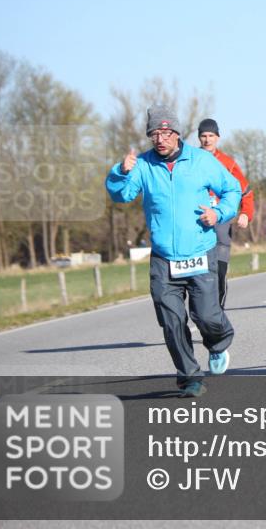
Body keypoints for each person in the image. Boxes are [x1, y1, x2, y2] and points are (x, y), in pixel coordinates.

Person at [106, 106, 240, 397]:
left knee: (206, 316)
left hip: (201, 251)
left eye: (166, 132)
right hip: (164, 259)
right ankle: (189, 377)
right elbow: (121, 194)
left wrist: (218, 213)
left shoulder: (201, 161)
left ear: (177, 134)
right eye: (154, 133)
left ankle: (218, 343)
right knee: (171, 321)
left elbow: (233, 190)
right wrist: (120, 172)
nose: (160, 138)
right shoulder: (143, 165)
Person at [197, 118, 255, 309]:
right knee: (198, 276)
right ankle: (201, 314)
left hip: (221, 223)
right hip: (196, 223)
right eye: (203, 136)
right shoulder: (190, 159)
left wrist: (246, 213)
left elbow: (246, 191)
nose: (207, 140)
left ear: (218, 138)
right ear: (199, 138)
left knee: (219, 272)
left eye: (211, 136)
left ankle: (218, 314)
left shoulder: (228, 163)